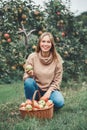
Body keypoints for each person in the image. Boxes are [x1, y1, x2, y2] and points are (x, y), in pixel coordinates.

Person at [23, 32, 64, 109]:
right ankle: (33, 102)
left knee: (59, 102)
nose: (45, 44)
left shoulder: (57, 59)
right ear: (39, 43)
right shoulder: (32, 57)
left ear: (52, 44)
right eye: (43, 41)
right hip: (36, 89)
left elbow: (57, 81)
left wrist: (48, 94)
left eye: (48, 42)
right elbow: (26, 77)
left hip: (50, 90)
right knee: (28, 81)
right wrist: (30, 74)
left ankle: (44, 104)